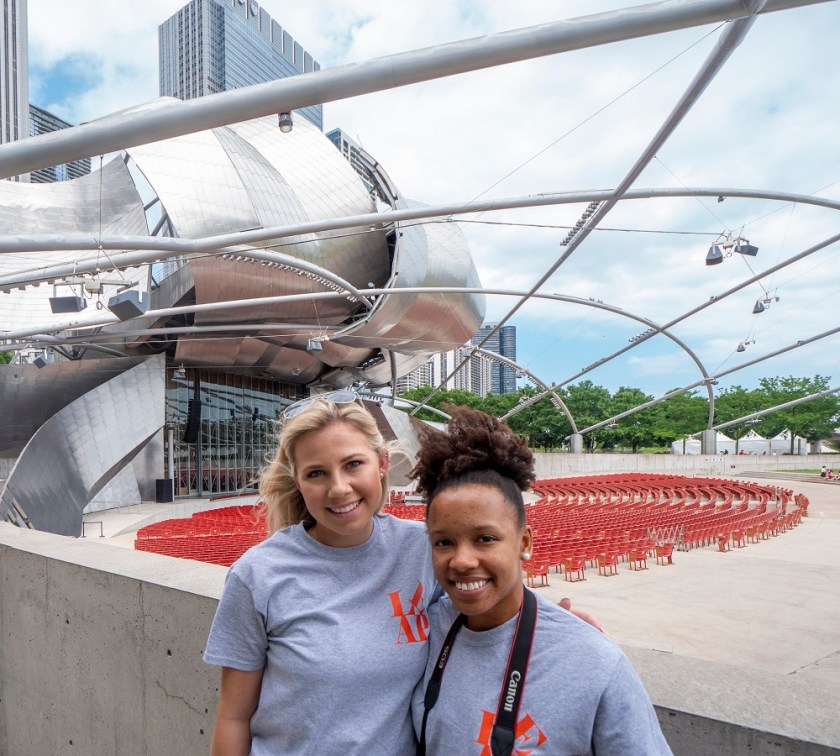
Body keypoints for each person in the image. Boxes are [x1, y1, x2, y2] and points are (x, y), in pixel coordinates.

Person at [203, 391, 605, 754]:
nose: (339, 488)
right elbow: (234, 717)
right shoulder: (257, 575)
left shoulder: (423, 546)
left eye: (353, 464)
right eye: (317, 473)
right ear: (298, 481)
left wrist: (549, 623)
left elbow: (479, 594)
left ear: (381, 464)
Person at [410, 406, 672, 755]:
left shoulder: (593, 662)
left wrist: (560, 628)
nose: (462, 560)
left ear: (525, 543)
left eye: (485, 538)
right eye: (443, 542)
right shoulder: (425, 632)